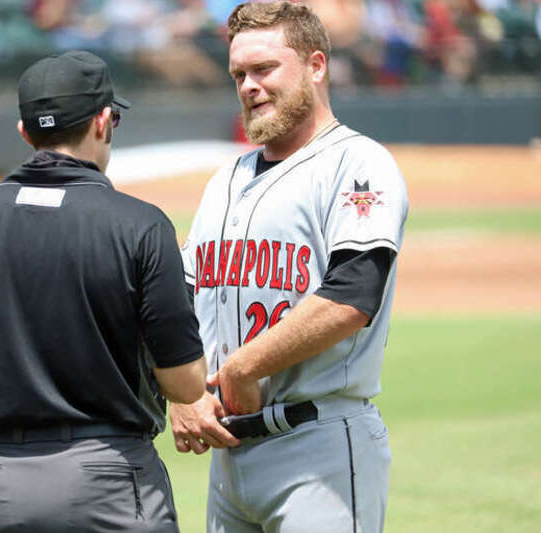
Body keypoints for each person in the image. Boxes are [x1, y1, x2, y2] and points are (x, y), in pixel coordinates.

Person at [0, 50, 207, 533]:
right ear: (105, 121)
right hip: (109, 477)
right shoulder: (142, 225)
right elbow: (186, 384)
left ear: (25, 132)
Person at [172, 2, 409, 532]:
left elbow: (352, 296)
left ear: (316, 65)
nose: (249, 86)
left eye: (264, 69)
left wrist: (242, 367)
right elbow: (181, 300)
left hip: (318, 447)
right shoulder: (226, 178)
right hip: (228, 456)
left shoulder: (358, 163)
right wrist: (184, 394)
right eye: (239, 74)